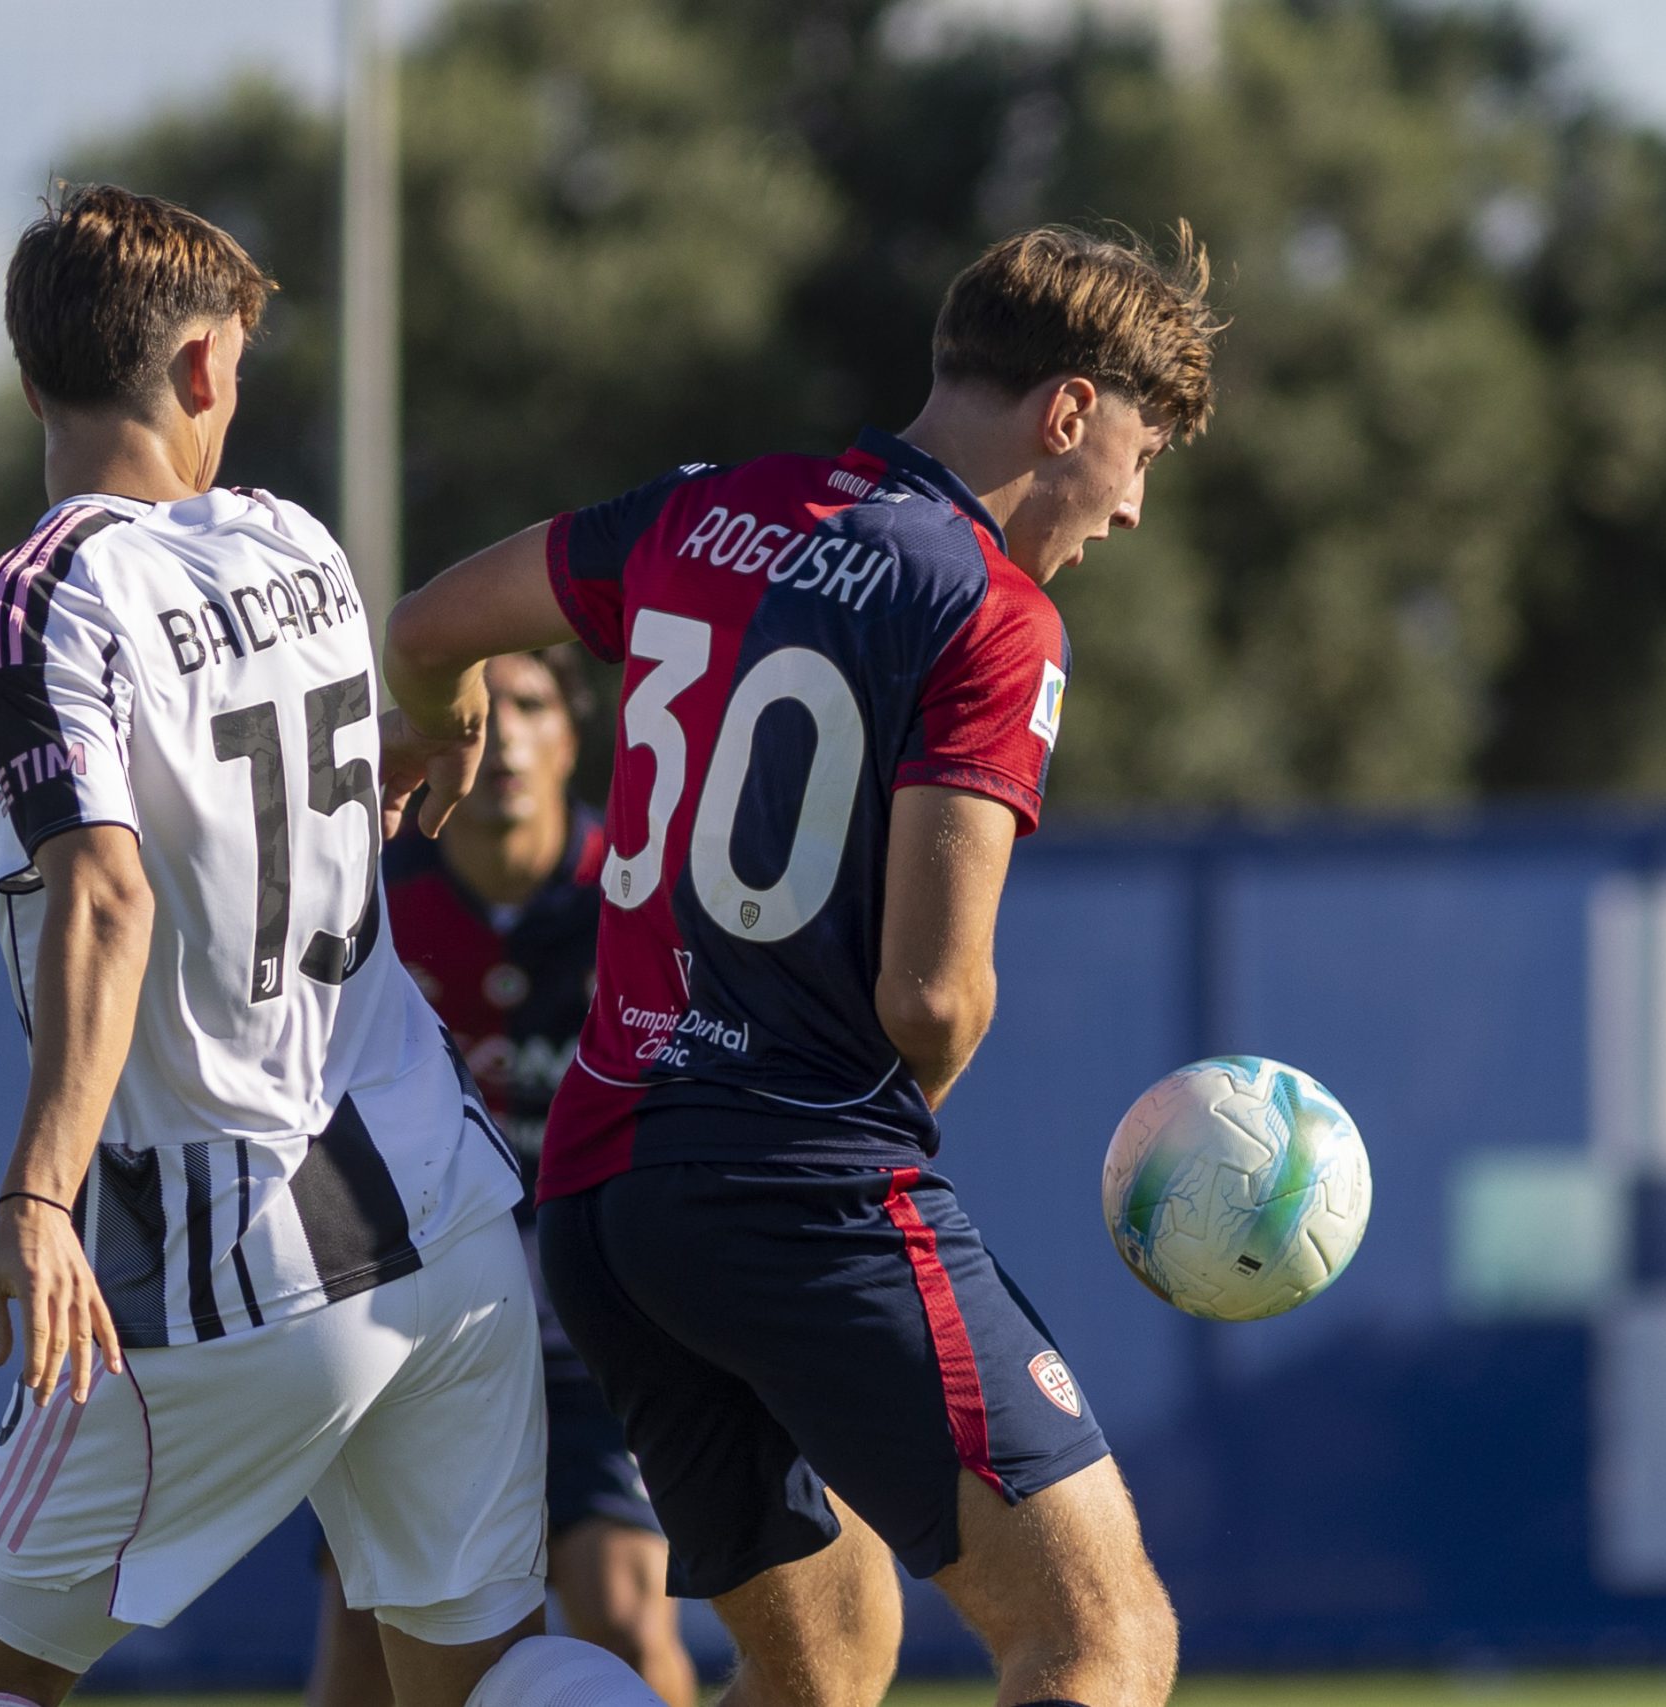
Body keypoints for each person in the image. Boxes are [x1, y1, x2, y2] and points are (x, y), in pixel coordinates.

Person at [0, 183, 661, 1707]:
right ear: (194, 373)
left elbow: (107, 888)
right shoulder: (294, 548)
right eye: (234, 359)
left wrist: (36, 1193)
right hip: (446, 1224)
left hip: (227, 1259)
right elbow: (188, 687)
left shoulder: (27, 607)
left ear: (30, 376)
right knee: (491, 1676)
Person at [378, 225, 1220, 1707]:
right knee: (1100, 1637)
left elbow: (432, 623)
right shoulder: (992, 612)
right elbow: (931, 996)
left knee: (824, 1672)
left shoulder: (703, 510)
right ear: (1069, 411)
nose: (1136, 506)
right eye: (1142, 453)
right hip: (793, 1181)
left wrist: (440, 721)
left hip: (602, 1195)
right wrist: (905, 1093)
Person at [311, 649, 698, 1707]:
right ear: (439, 740)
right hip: (410, 1327)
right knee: (359, 1643)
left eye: (532, 705)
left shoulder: (645, 900)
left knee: (622, 1615)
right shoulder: (364, 898)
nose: (508, 732)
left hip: (593, 1338)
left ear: (575, 741)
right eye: (482, 708)